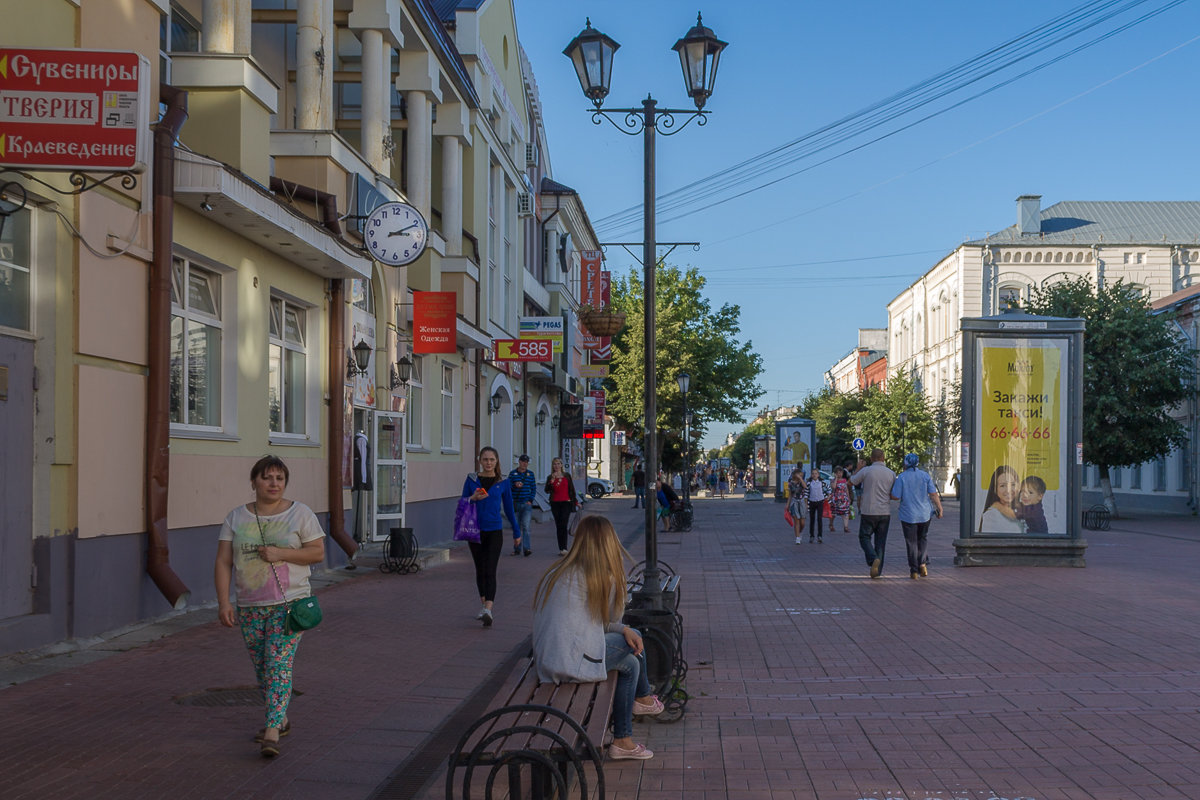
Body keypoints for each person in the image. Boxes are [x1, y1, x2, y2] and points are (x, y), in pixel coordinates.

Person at [214, 455, 326, 758]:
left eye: (279, 478)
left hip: (289, 606)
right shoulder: (236, 517)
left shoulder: (299, 514)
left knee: (278, 664)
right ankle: (282, 717)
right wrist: (225, 602)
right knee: (263, 668)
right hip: (250, 606)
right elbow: (224, 562)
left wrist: (281, 553)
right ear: (254, 482)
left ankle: (272, 730)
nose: (273, 483)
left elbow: (317, 553)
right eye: (266, 478)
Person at [532, 515, 664, 761]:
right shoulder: (601, 575)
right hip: (568, 659)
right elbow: (614, 615)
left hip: (552, 656)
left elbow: (599, 623)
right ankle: (642, 700)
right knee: (631, 644)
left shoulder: (562, 570)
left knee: (631, 659)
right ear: (609, 543)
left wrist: (622, 628)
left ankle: (625, 737)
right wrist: (618, 586)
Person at [462, 446, 521, 627]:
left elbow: (509, 508)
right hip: (475, 531)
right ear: (480, 461)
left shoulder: (502, 482)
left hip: (495, 530)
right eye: (485, 459)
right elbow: (463, 502)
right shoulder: (472, 480)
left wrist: (517, 532)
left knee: (490, 569)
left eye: (492, 460)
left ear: (497, 462)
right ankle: (483, 608)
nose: (488, 463)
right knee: (480, 569)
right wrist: (473, 498)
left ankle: (489, 608)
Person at [890, 453, 944, 579]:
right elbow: (933, 494)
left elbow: (896, 496)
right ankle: (923, 564)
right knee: (922, 538)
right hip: (925, 514)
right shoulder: (925, 475)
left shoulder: (902, 477)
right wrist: (939, 509)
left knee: (911, 542)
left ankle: (914, 570)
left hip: (908, 514)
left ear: (906, 463)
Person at [851, 449, 896, 578]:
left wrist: (858, 468)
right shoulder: (891, 473)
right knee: (880, 542)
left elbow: (852, 481)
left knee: (864, 537)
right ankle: (877, 571)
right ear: (883, 458)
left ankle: (872, 558)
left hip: (868, 510)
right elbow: (894, 494)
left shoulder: (866, 471)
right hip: (884, 512)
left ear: (871, 458)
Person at [545, 457, 580, 555]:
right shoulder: (550, 477)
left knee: (564, 524)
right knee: (559, 525)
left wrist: (576, 502)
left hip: (566, 502)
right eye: (554, 464)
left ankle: (564, 548)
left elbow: (571, 490)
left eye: (558, 463)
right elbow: (547, 490)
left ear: (561, 465)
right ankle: (561, 548)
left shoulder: (567, 476)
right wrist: (551, 481)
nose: (556, 466)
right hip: (555, 503)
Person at [979, 465, 1025, 533]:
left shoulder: (1025, 509)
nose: (1008, 490)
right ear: (995, 489)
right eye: (1002, 485)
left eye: (1012, 485)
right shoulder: (991, 515)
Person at [507, 455, 536, 557]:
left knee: (526, 526)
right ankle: (517, 549)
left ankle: (527, 548)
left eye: (526, 462)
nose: (525, 464)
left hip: (526, 504)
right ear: (519, 462)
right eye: (523, 461)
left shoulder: (530, 474)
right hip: (515, 503)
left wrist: (530, 500)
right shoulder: (512, 474)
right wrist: (514, 485)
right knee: (516, 527)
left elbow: (533, 488)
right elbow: (508, 488)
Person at [829, 466, 854, 534]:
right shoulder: (832, 480)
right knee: (833, 513)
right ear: (835, 473)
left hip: (844, 499)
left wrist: (848, 498)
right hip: (835, 499)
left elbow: (846, 489)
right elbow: (833, 487)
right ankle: (831, 524)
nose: (839, 474)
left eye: (841, 473)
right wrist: (836, 478)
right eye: (838, 473)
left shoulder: (844, 480)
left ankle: (846, 527)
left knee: (845, 513)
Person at [787, 469, 807, 544]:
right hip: (794, 502)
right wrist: (787, 505)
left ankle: (800, 532)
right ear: (795, 474)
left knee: (802, 523)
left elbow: (805, 487)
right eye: (799, 474)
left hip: (802, 502)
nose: (800, 476)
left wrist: (801, 479)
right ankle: (797, 538)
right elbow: (790, 495)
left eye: (801, 475)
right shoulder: (791, 483)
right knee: (797, 521)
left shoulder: (802, 482)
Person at [807, 467, 826, 543]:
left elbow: (828, 490)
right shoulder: (809, 483)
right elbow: (806, 493)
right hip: (812, 502)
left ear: (818, 475)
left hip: (820, 501)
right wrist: (806, 503)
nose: (814, 475)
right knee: (812, 519)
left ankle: (820, 535)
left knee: (819, 519)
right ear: (811, 475)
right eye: (813, 474)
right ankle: (811, 535)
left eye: (816, 473)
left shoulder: (822, 482)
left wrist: (827, 497)